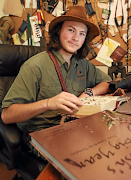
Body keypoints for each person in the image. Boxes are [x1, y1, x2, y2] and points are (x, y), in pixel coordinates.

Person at [1, 6, 111, 134]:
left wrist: (89, 93)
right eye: (71, 30)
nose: (76, 38)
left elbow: (107, 83)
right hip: (43, 132)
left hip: (74, 127)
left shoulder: (83, 64)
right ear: (59, 31)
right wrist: (48, 103)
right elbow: (7, 115)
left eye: (82, 34)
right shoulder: (35, 66)